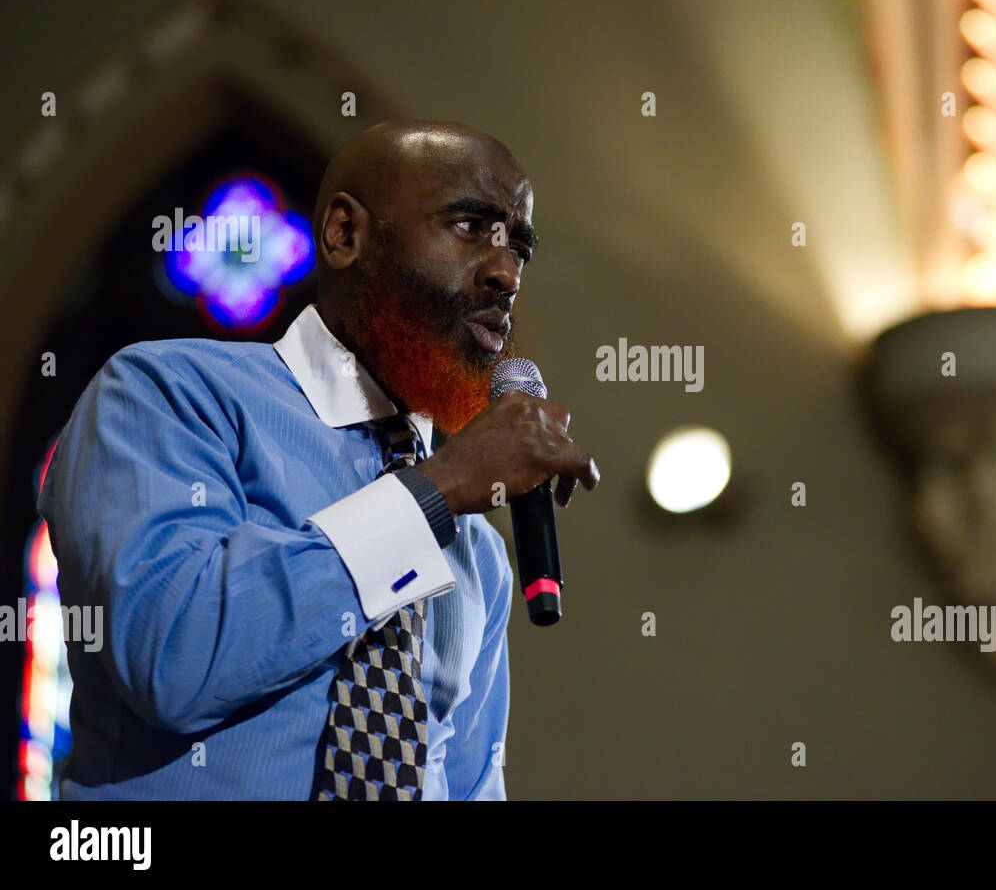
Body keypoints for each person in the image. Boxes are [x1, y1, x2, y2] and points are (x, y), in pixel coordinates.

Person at [37, 120, 600, 799]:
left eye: (520, 247)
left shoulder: (479, 554)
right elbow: (170, 659)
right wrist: (441, 486)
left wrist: (441, 494)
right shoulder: (167, 395)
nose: (506, 271)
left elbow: (472, 783)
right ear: (343, 233)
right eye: (470, 225)